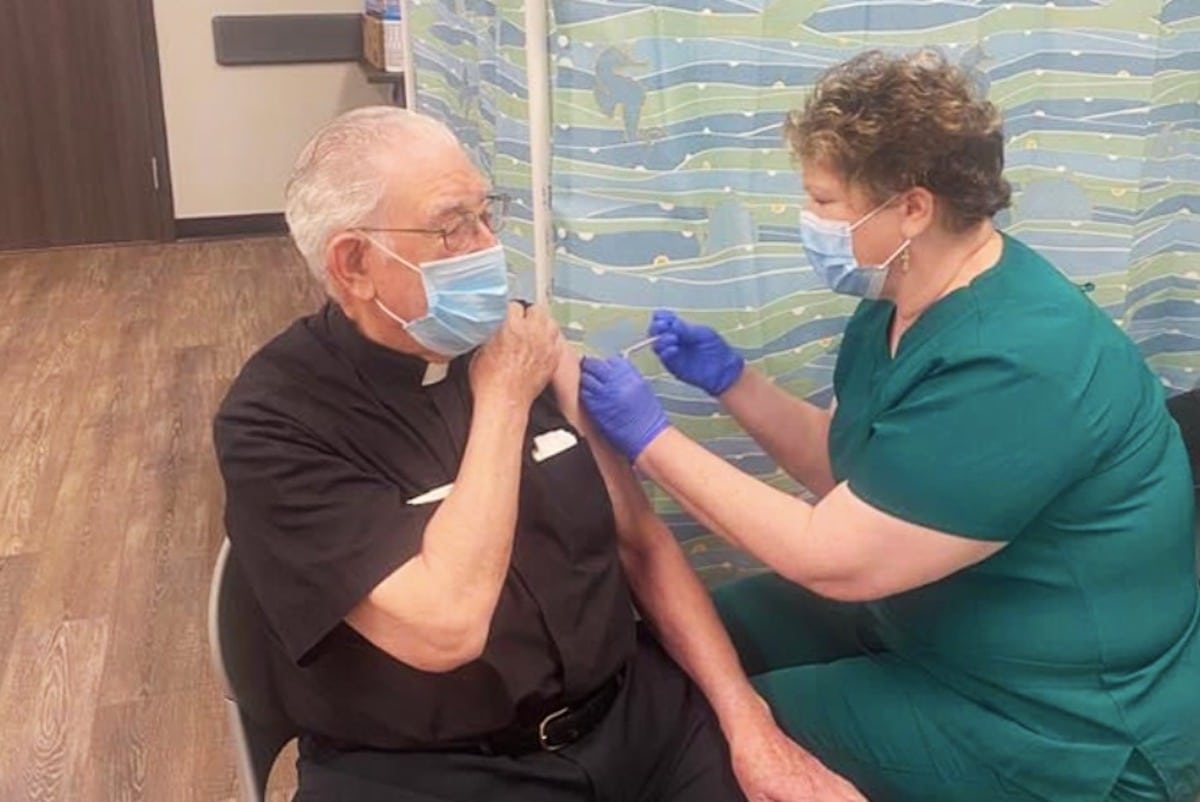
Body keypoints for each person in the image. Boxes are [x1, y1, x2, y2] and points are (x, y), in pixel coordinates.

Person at [578, 50, 1200, 802]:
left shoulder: (1021, 361)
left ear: (912, 206)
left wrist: (650, 439)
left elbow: (832, 557)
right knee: (695, 641)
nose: (809, 223)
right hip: (929, 620)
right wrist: (734, 383)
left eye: (826, 202)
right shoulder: (900, 302)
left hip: (1056, 722)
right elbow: (850, 474)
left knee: (715, 734)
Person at [213, 106, 865, 802]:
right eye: (453, 225)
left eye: (486, 212)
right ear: (355, 264)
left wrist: (748, 725)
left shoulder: (516, 343)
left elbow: (642, 545)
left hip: (636, 722)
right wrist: (503, 400)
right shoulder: (274, 423)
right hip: (433, 770)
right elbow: (447, 625)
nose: (489, 244)